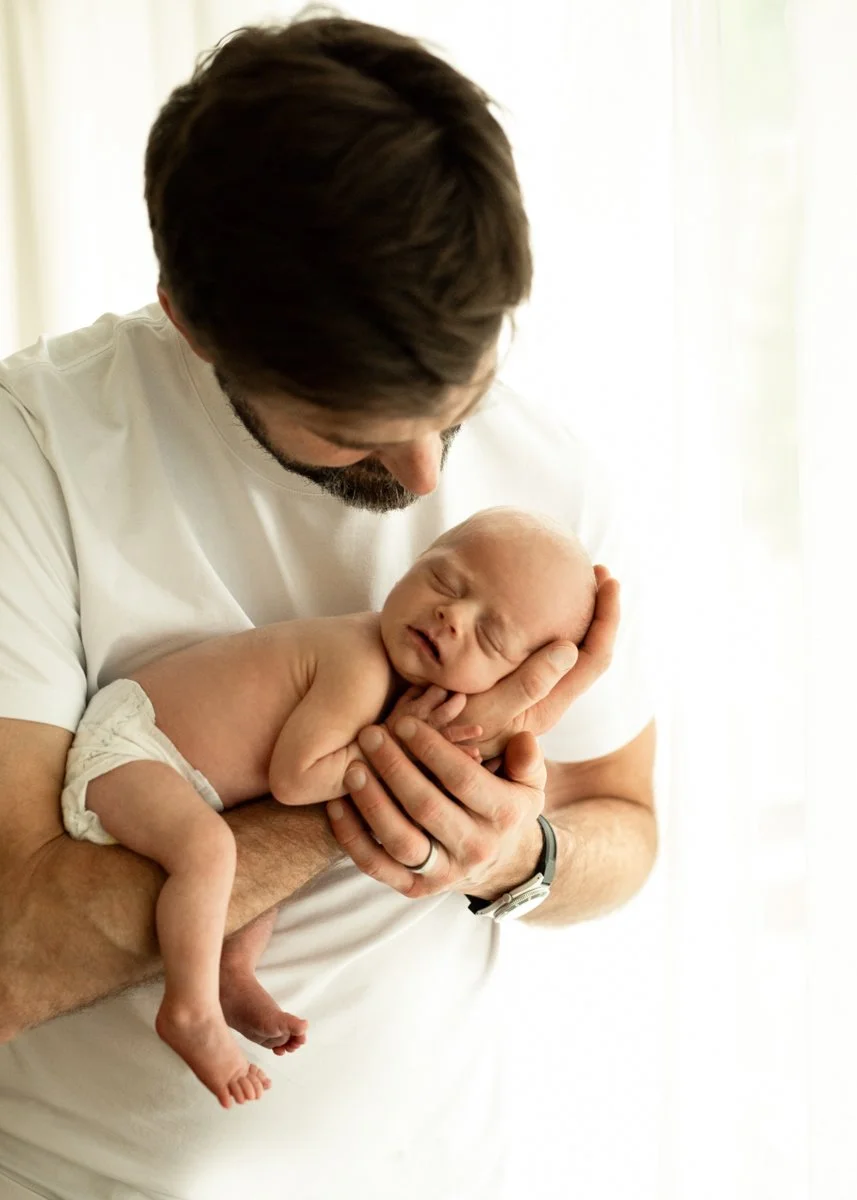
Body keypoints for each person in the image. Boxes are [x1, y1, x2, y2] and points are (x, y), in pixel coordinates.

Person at [0, 15, 656, 1200]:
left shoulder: (551, 496)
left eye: (457, 406)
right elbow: (9, 953)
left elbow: (621, 820)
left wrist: (520, 852)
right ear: (194, 326)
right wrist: (403, 780)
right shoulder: (36, 451)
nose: (421, 478)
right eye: (351, 432)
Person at [60, 507, 597, 1109]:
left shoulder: (400, 685)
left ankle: (231, 973)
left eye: (490, 636)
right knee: (210, 851)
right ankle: (189, 1009)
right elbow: (297, 780)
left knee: (262, 874)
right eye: (444, 581)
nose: (452, 615)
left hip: (175, 774)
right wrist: (396, 749)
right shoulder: (361, 660)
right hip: (133, 750)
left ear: (518, 677)